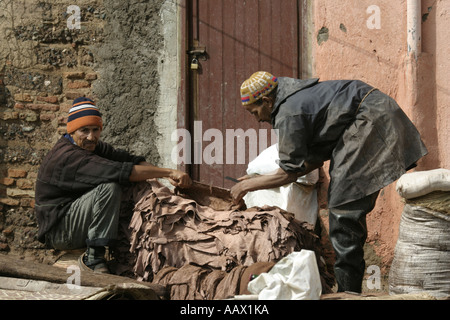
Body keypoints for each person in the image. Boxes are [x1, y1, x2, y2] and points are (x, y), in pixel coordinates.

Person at [231, 71, 428, 293]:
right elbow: (308, 162)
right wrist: (256, 179)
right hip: (370, 116)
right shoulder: (294, 102)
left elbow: (289, 173)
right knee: (344, 205)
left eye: (254, 111)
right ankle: (348, 289)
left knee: (343, 207)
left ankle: (348, 293)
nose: (257, 118)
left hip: (369, 120)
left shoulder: (289, 112)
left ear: (267, 101)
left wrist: (246, 186)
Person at [35, 97, 192, 273]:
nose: (91, 137)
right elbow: (123, 171)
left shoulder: (91, 147)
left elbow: (128, 160)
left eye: (95, 130)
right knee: (109, 188)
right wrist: (169, 172)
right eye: (84, 130)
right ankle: (94, 258)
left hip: (74, 219)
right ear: (71, 131)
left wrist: (162, 177)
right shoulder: (70, 157)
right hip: (60, 231)